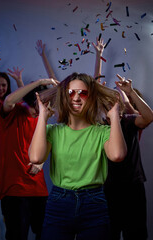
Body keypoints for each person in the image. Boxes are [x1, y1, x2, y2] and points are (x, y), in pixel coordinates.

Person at [28, 72, 127, 240]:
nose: (76, 98)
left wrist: (114, 117)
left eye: (83, 93)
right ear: (64, 97)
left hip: (94, 203)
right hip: (59, 203)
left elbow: (117, 155)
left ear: (91, 97)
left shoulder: (102, 132)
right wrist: (43, 117)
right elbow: (36, 158)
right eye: (70, 93)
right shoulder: (53, 131)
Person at [93, 39, 153, 240]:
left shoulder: (129, 121)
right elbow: (94, 89)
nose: (113, 105)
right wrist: (98, 56)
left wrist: (129, 93)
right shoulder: (99, 126)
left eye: (116, 101)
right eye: (109, 102)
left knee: (135, 235)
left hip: (133, 187)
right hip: (107, 189)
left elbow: (149, 117)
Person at [0, 78, 58, 240]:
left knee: (43, 234)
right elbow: (9, 99)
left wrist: (41, 162)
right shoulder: (13, 112)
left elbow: (44, 147)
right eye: (41, 103)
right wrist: (39, 82)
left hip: (38, 189)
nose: (44, 107)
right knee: (17, 235)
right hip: (15, 189)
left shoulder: (41, 120)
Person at [0, 68, 24, 178]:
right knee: (0, 173)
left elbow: (23, 99)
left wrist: (19, 80)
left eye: (3, 85)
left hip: (8, 138)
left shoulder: (10, 100)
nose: (0, 88)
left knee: (10, 173)